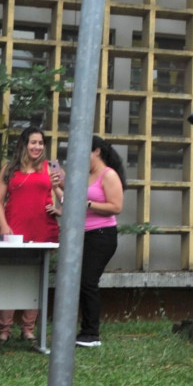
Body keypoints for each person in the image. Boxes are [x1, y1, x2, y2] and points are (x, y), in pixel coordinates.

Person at [0, 124, 61, 341]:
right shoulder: (9, 168)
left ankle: (28, 329)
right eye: (34, 142)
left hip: (43, 227)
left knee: (36, 278)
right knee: (9, 277)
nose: (38, 147)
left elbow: (67, 194)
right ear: (24, 144)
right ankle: (4, 330)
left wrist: (60, 210)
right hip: (15, 228)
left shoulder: (52, 167)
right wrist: (3, 224)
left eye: (41, 143)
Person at [60, 136, 125, 349]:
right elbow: (69, 201)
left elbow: (116, 206)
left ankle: (91, 333)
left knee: (88, 281)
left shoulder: (109, 175)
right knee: (79, 282)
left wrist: (87, 203)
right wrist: (58, 186)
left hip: (101, 234)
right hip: (81, 234)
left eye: (83, 152)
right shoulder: (83, 175)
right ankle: (81, 329)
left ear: (96, 151)